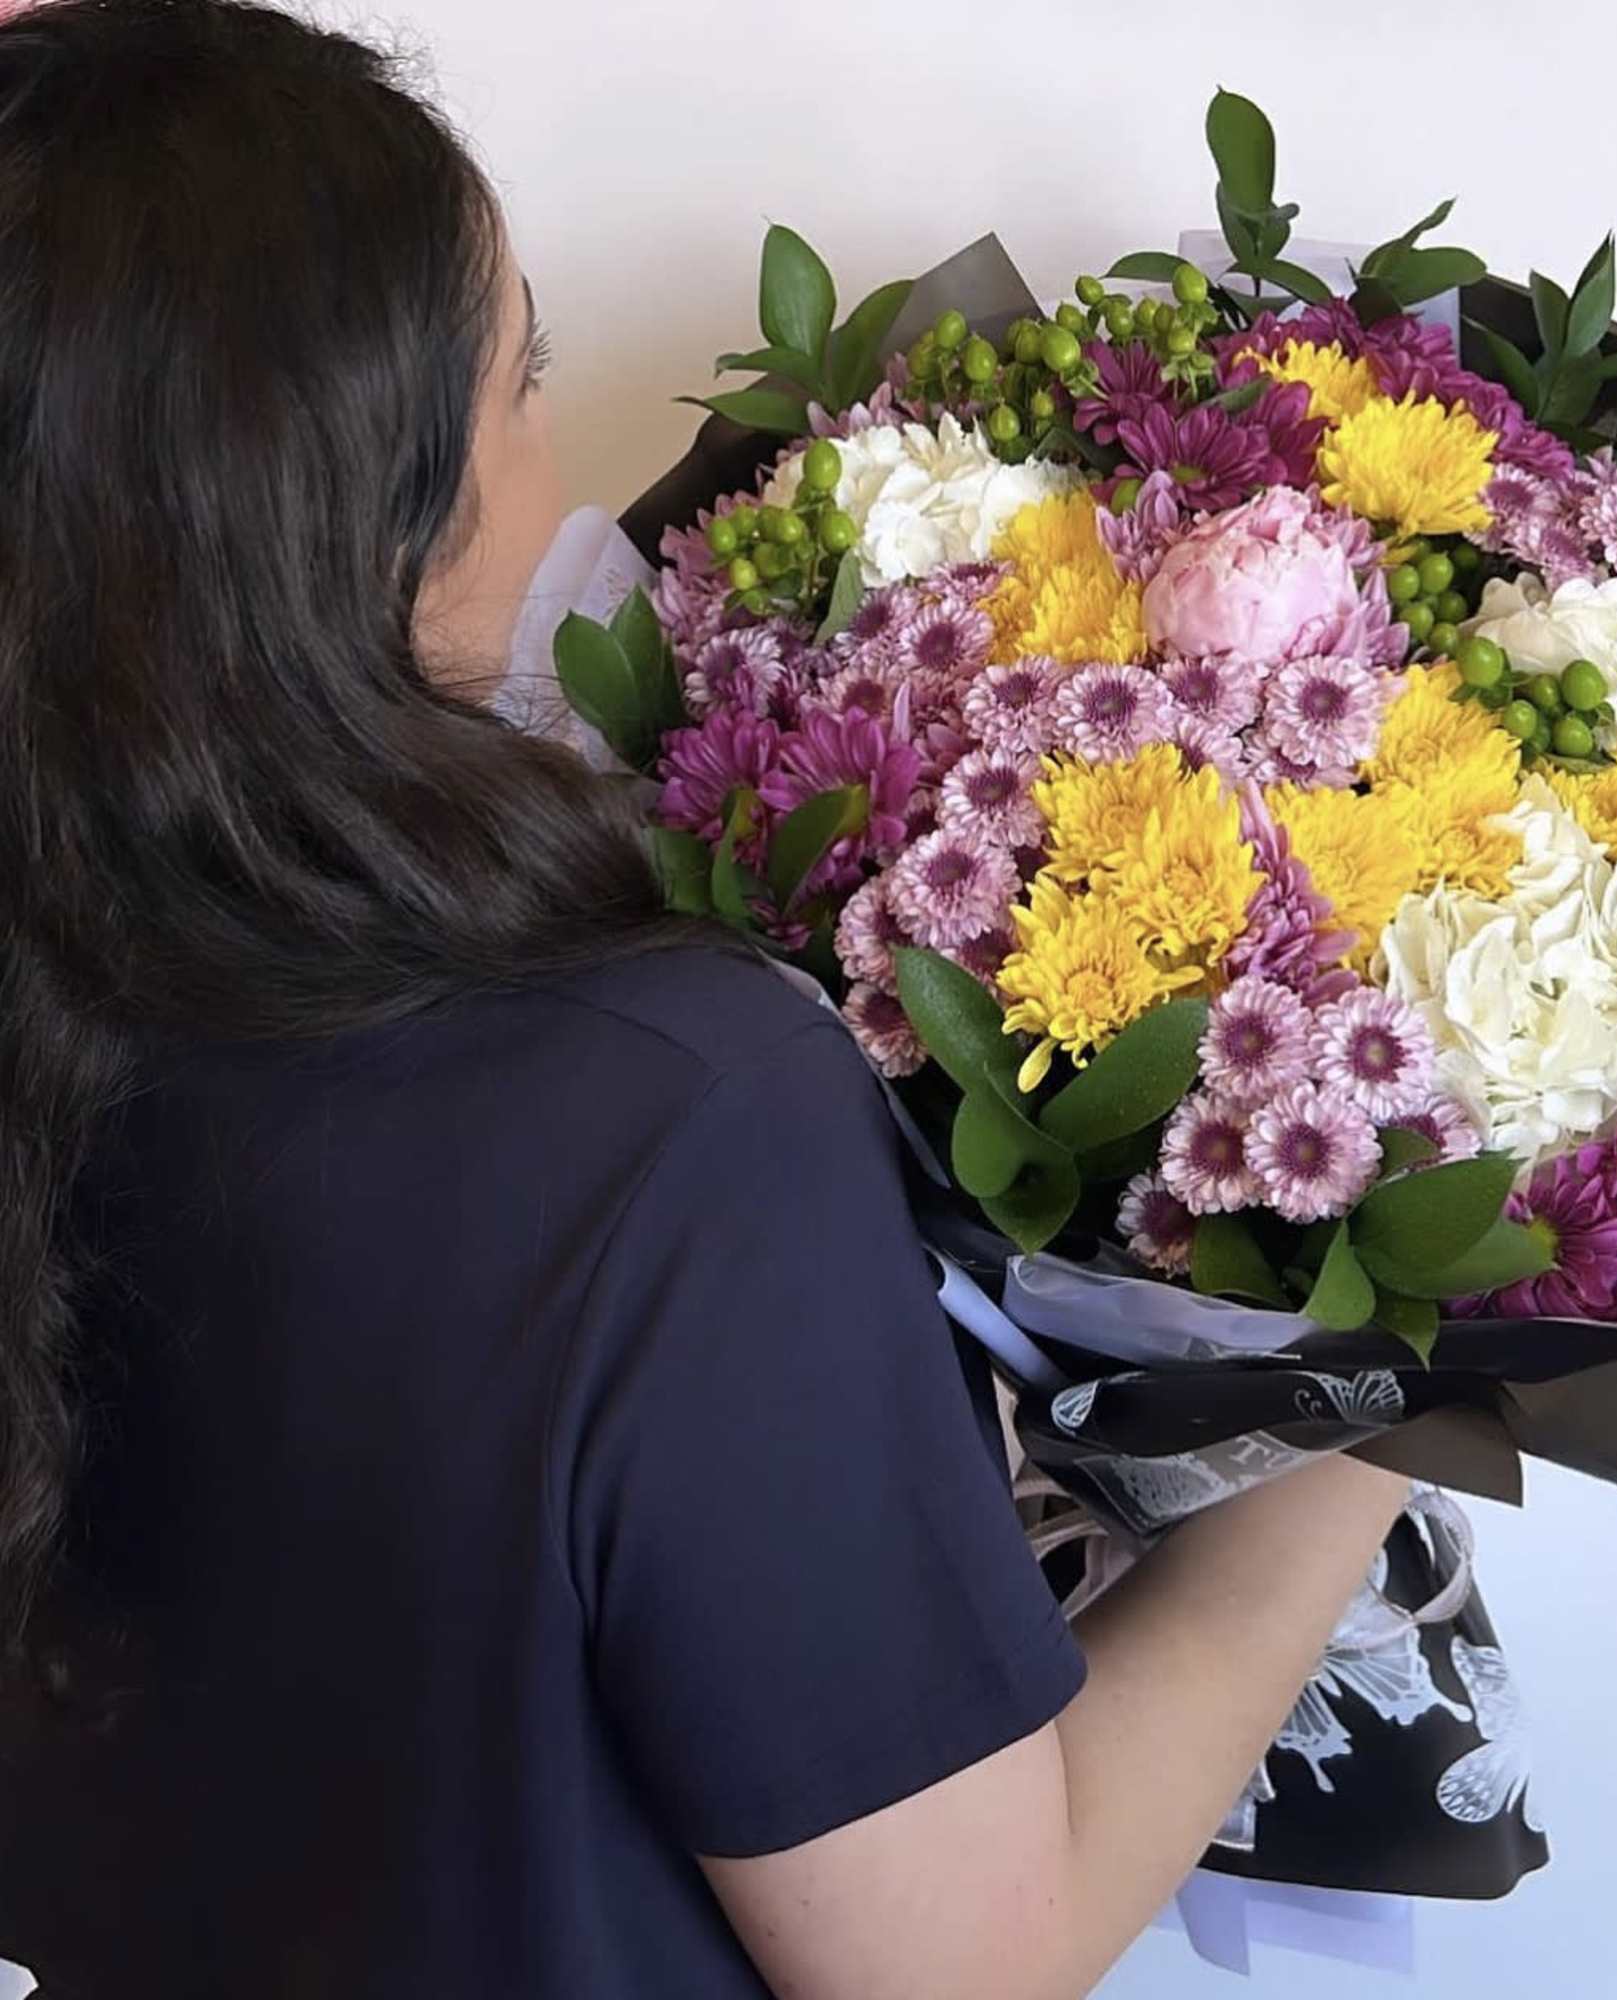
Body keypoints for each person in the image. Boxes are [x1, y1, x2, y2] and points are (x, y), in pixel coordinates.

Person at [0, 5, 1408, 1995]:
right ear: (352, 512)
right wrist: (1376, 1433)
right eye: (525, 375)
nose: (553, 447)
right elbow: (965, 1960)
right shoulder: (650, 1120)